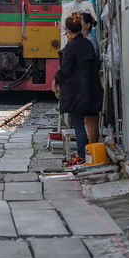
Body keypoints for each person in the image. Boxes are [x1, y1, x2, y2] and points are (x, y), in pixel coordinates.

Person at [51, 13, 98, 166]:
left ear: (68, 31)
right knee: (90, 122)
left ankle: (81, 155)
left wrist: (56, 80)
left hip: (75, 91)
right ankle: (90, 155)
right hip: (90, 89)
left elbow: (65, 69)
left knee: (77, 123)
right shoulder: (88, 44)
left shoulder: (71, 47)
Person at [80, 12, 103, 144]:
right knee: (88, 120)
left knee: (91, 120)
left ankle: (92, 150)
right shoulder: (88, 40)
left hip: (90, 84)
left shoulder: (90, 42)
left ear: (87, 25)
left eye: (81, 21)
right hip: (89, 83)